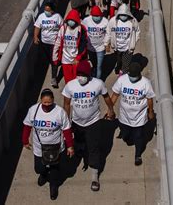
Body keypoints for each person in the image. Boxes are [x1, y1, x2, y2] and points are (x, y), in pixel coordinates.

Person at [62, 60, 115, 192]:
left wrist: (111, 109)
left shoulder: (98, 84)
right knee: (79, 142)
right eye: (78, 74)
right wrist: (66, 121)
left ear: (89, 73)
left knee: (94, 148)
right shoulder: (70, 86)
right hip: (77, 122)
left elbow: (106, 97)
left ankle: (95, 175)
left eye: (83, 74)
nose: (81, 77)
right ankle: (80, 150)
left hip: (94, 122)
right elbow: (67, 104)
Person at [23, 88, 74, 200]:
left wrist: (70, 146)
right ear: (41, 100)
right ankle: (43, 174)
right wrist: (25, 141)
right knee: (39, 168)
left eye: (49, 103)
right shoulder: (33, 110)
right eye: (44, 102)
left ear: (53, 101)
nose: (46, 105)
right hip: (39, 147)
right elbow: (27, 126)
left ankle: (54, 187)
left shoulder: (59, 112)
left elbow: (66, 130)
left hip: (55, 148)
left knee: (54, 169)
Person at [111, 62, 155, 166]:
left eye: (135, 76)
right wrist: (110, 109)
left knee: (138, 137)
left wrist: (150, 112)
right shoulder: (122, 80)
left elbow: (149, 99)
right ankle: (127, 137)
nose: (132, 78)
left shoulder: (145, 83)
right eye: (131, 75)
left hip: (139, 118)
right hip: (124, 117)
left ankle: (138, 155)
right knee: (125, 135)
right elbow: (115, 95)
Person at [53, 9, 88, 84]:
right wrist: (55, 57)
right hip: (65, 59)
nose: (71, 22)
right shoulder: (63, 28)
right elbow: (57, 43)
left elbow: (83, 45)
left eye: (73, 20)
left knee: (77, 80)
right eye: (69, 20)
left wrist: (78, 58)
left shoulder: (81, 30)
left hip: (76, 59)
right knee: (68, 81)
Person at [33, 2, 63, 88]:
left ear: (52, 10)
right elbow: (37, 27)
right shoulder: (41, 16)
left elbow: (62, 27)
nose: (46, 12)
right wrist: (35, 37)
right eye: (45, 10)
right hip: (44, 42)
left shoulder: (57, 16)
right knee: (47, 60)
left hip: (54, 43)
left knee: (54, 61)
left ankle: (54, 78)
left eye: (48, 10)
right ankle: (55, 63)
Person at [105, 4, 139, 75]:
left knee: (126, 65)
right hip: (117, 48)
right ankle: (118, 67)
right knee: (119, 60)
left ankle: (122, 75)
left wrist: (133, 43)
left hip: (128, 48)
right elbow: (108, 32)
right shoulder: (113, 21)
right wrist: (106, 43)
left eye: (125, 14)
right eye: (121, 14)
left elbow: (137, 32)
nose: (123, 16)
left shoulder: (133, 21)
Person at [81, 7, 109, 79]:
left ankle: (98, 81)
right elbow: (82, 30)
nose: (96, 17)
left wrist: (106, 43)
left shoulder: (105, 21)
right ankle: (93, 71)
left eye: (98, 16)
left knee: (99, 66)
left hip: (100, 47)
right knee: (94, 64)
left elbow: (108, 33)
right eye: (95, 16)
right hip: (90, 47)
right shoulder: (86, 20)